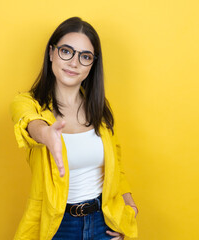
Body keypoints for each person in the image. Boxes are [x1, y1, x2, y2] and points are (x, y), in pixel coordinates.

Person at [10, 17, 138, 240]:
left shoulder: (100, 108)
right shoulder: (28, 103)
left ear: (92, 64)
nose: (74, 62)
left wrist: (128, 209)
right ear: (51, 53)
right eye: (66, 51)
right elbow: (28, 123)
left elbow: (117, 167)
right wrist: (46, 134)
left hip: (102, 222)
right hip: (57, 225)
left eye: (85, 56)